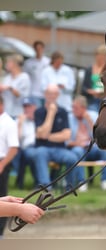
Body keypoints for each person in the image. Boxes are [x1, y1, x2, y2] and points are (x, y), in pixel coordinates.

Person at [32, 84, 78, 189]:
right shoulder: (39, 112)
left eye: (54, 94)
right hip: (43, 148)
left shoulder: (63, 112)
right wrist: (51, 113)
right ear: (45, 94)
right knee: (39, 153)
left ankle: (69, 187)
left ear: (58, 95)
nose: (51, 96)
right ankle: (46, 186)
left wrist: (46, 135)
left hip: (60, 149)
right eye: (49, 93)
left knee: (72, 158)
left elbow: (67, 135)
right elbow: (41, 134)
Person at [67, 95, 106, 192]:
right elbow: (67, 141)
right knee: (77, 151)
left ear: (83, 108)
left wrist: (89, 121)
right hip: (78, 147)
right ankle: (81, 182)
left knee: (104, 150)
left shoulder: (94, 115)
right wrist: (77, 144)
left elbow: (98, 136)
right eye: (72, 107)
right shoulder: (69, 118)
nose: (73, 110)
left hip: (92, 147)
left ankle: (105, 180)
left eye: (75, 107)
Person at [0, 95, 19, 237]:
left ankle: (0, 232)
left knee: (2, 196)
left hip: (2, 161)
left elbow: (13, 147)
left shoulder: (9, 122)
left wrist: (2, 165)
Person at [14, 97, 39, 189]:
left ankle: (43, 181)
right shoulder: (19, 120)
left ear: (35, 107)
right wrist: (20, 124)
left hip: (41, 145)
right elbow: (16, 141)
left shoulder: (40, 118)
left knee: (38, 153)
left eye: (29, 106)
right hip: (26, 147)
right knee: (33, 154)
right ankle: (39, 182)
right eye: (25, 107)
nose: (27, 109)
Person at [0, 54, 31, 118]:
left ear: (15, 64)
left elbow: (22, 96)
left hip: (17, 114)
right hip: (5, 113)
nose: (6, 64)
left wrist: (9, 88)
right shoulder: (7, 78)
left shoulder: (24, 77)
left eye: (9, 62)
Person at [81, 44, 106, 111]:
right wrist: (90, 91)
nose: (100, 58)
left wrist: (101, 92)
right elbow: (83, 88)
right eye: (98, 55)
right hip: (91, 99)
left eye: (103, 56)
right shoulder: (89, 69)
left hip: (103, 99)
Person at [23, 40, 50, 107]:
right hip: (34, 93)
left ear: (43, 49)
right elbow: (25, 77)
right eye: (37, 49)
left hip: (46, 93)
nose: (39, 50)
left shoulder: (48, 62)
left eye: (40, 48)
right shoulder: (28, 63)